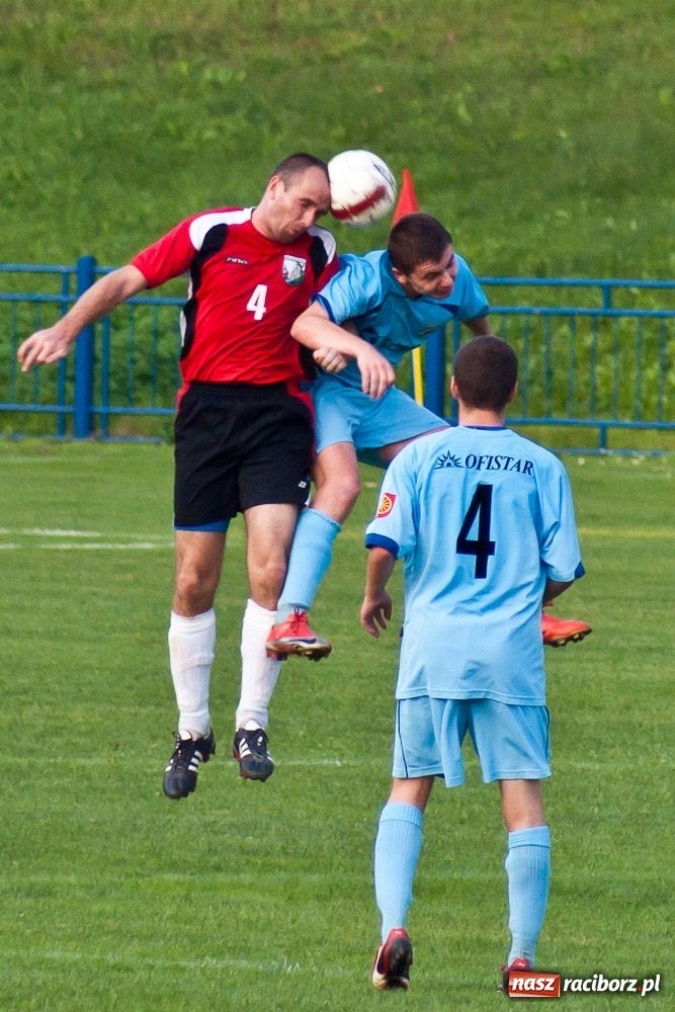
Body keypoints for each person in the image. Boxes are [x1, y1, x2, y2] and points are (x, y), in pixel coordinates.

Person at [17, 152, 394, 797]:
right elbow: (127, 279)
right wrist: (67, 327)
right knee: (194, 580)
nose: (309, 219)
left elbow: (343, 311)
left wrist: (335, 338)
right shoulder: (210, 232)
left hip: (280, 416)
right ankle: (193, 732)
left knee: (269, 570)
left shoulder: (322, 250)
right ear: (273, 186)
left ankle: (253, 722)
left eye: (319, 211)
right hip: (206, 415)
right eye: (301, 203)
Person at [359, 335, 585, 990]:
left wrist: (375, 593)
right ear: (513, 392)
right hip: (508, 653)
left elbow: (382, 544)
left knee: (410, 786)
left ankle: (392, 929)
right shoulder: (542, 467)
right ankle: (520, 958)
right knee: (521, 801)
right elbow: (563, 569)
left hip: (431, 646)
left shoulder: (417, 458)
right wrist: (522, 601)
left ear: (451, 389)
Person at [265, 213, 591, 659]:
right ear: (400, 275)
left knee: (471, 464)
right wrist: (359, 348)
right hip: (331, 397)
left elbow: (481, 329)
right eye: (432, 275)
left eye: (450, 265)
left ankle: (529, 607)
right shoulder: (367, 277)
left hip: (380, 401)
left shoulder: (460, 278)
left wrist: (492, 379)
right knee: (342, 486)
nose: (446, 280)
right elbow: (305, 324)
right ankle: (291, 617)